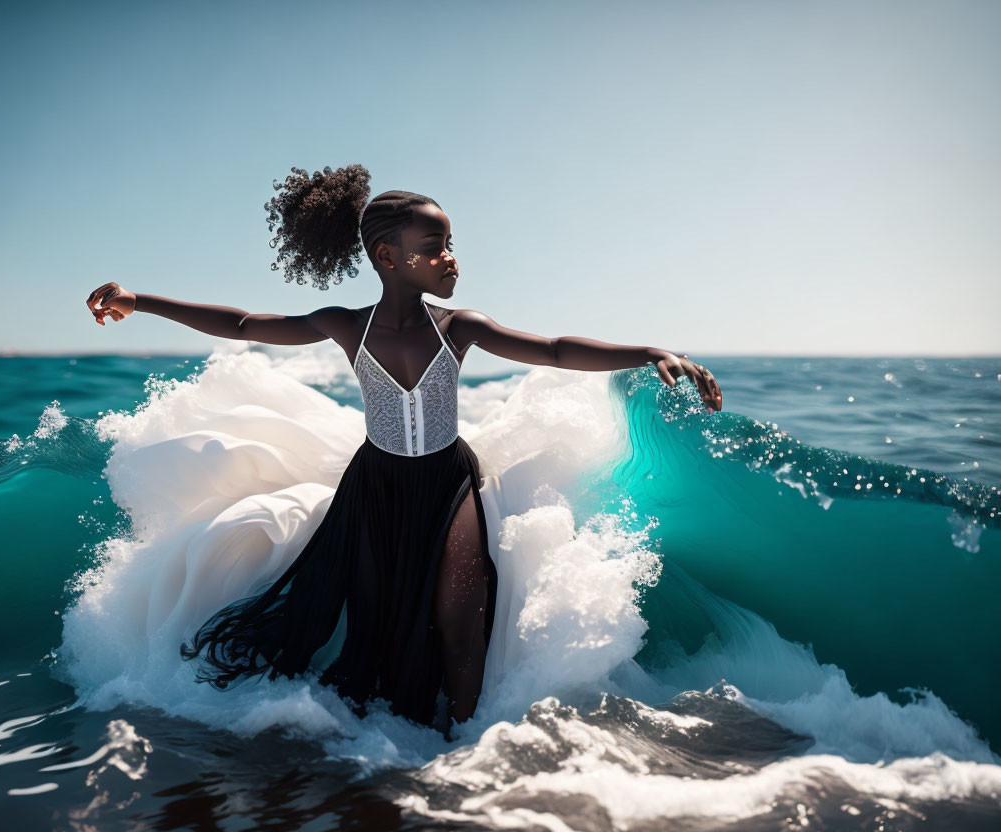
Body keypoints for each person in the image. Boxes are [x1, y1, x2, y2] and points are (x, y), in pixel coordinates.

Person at [85, 163, 722, 737]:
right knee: (377, 623)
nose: (451, 260)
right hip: (376, 487)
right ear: (389, 257)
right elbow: (247, 325)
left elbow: (554, 349)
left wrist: (648, 352)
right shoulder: (345, 325)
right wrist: (142, 301)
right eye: (435, 247)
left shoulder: (458, 327)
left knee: (460, 615)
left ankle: (474, 747)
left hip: (448, 481)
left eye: (450, 245)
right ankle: (390, 743)